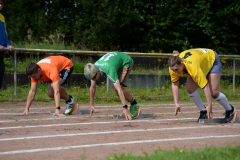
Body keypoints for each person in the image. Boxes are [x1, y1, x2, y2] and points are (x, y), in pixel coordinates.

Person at [168, 48, 237, 123]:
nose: (174, 73)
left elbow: (205, 86)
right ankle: (203, 111)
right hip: (199, 61)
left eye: (176, 70)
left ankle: (230, 110)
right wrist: (176, 103)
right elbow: (175, 85)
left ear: (182, 64)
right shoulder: (173, 67)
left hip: (211, 59)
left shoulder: (193, 68)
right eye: (173, 70)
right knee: (190, 89)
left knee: (214, 93)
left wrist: (210, 106)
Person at [84, 51, 140, 120]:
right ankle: (133, 102)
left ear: (98, 72)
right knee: (117, 89)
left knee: (117, 89)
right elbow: (92, 88)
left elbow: (119, 89)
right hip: (115, 62)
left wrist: (125, 107)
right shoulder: (94, 67)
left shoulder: (109, 69)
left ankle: (134, 103)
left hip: (126, 62)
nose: (93, 80)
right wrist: (91, 105)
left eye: (94, 78)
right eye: (91, 78)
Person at [0, 0, 14, 95]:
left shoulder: (2, 17)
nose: (0, 5)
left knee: (1, 68)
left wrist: (8, 44)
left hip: (1, 49)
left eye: (1, 3)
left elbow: (4, 33)